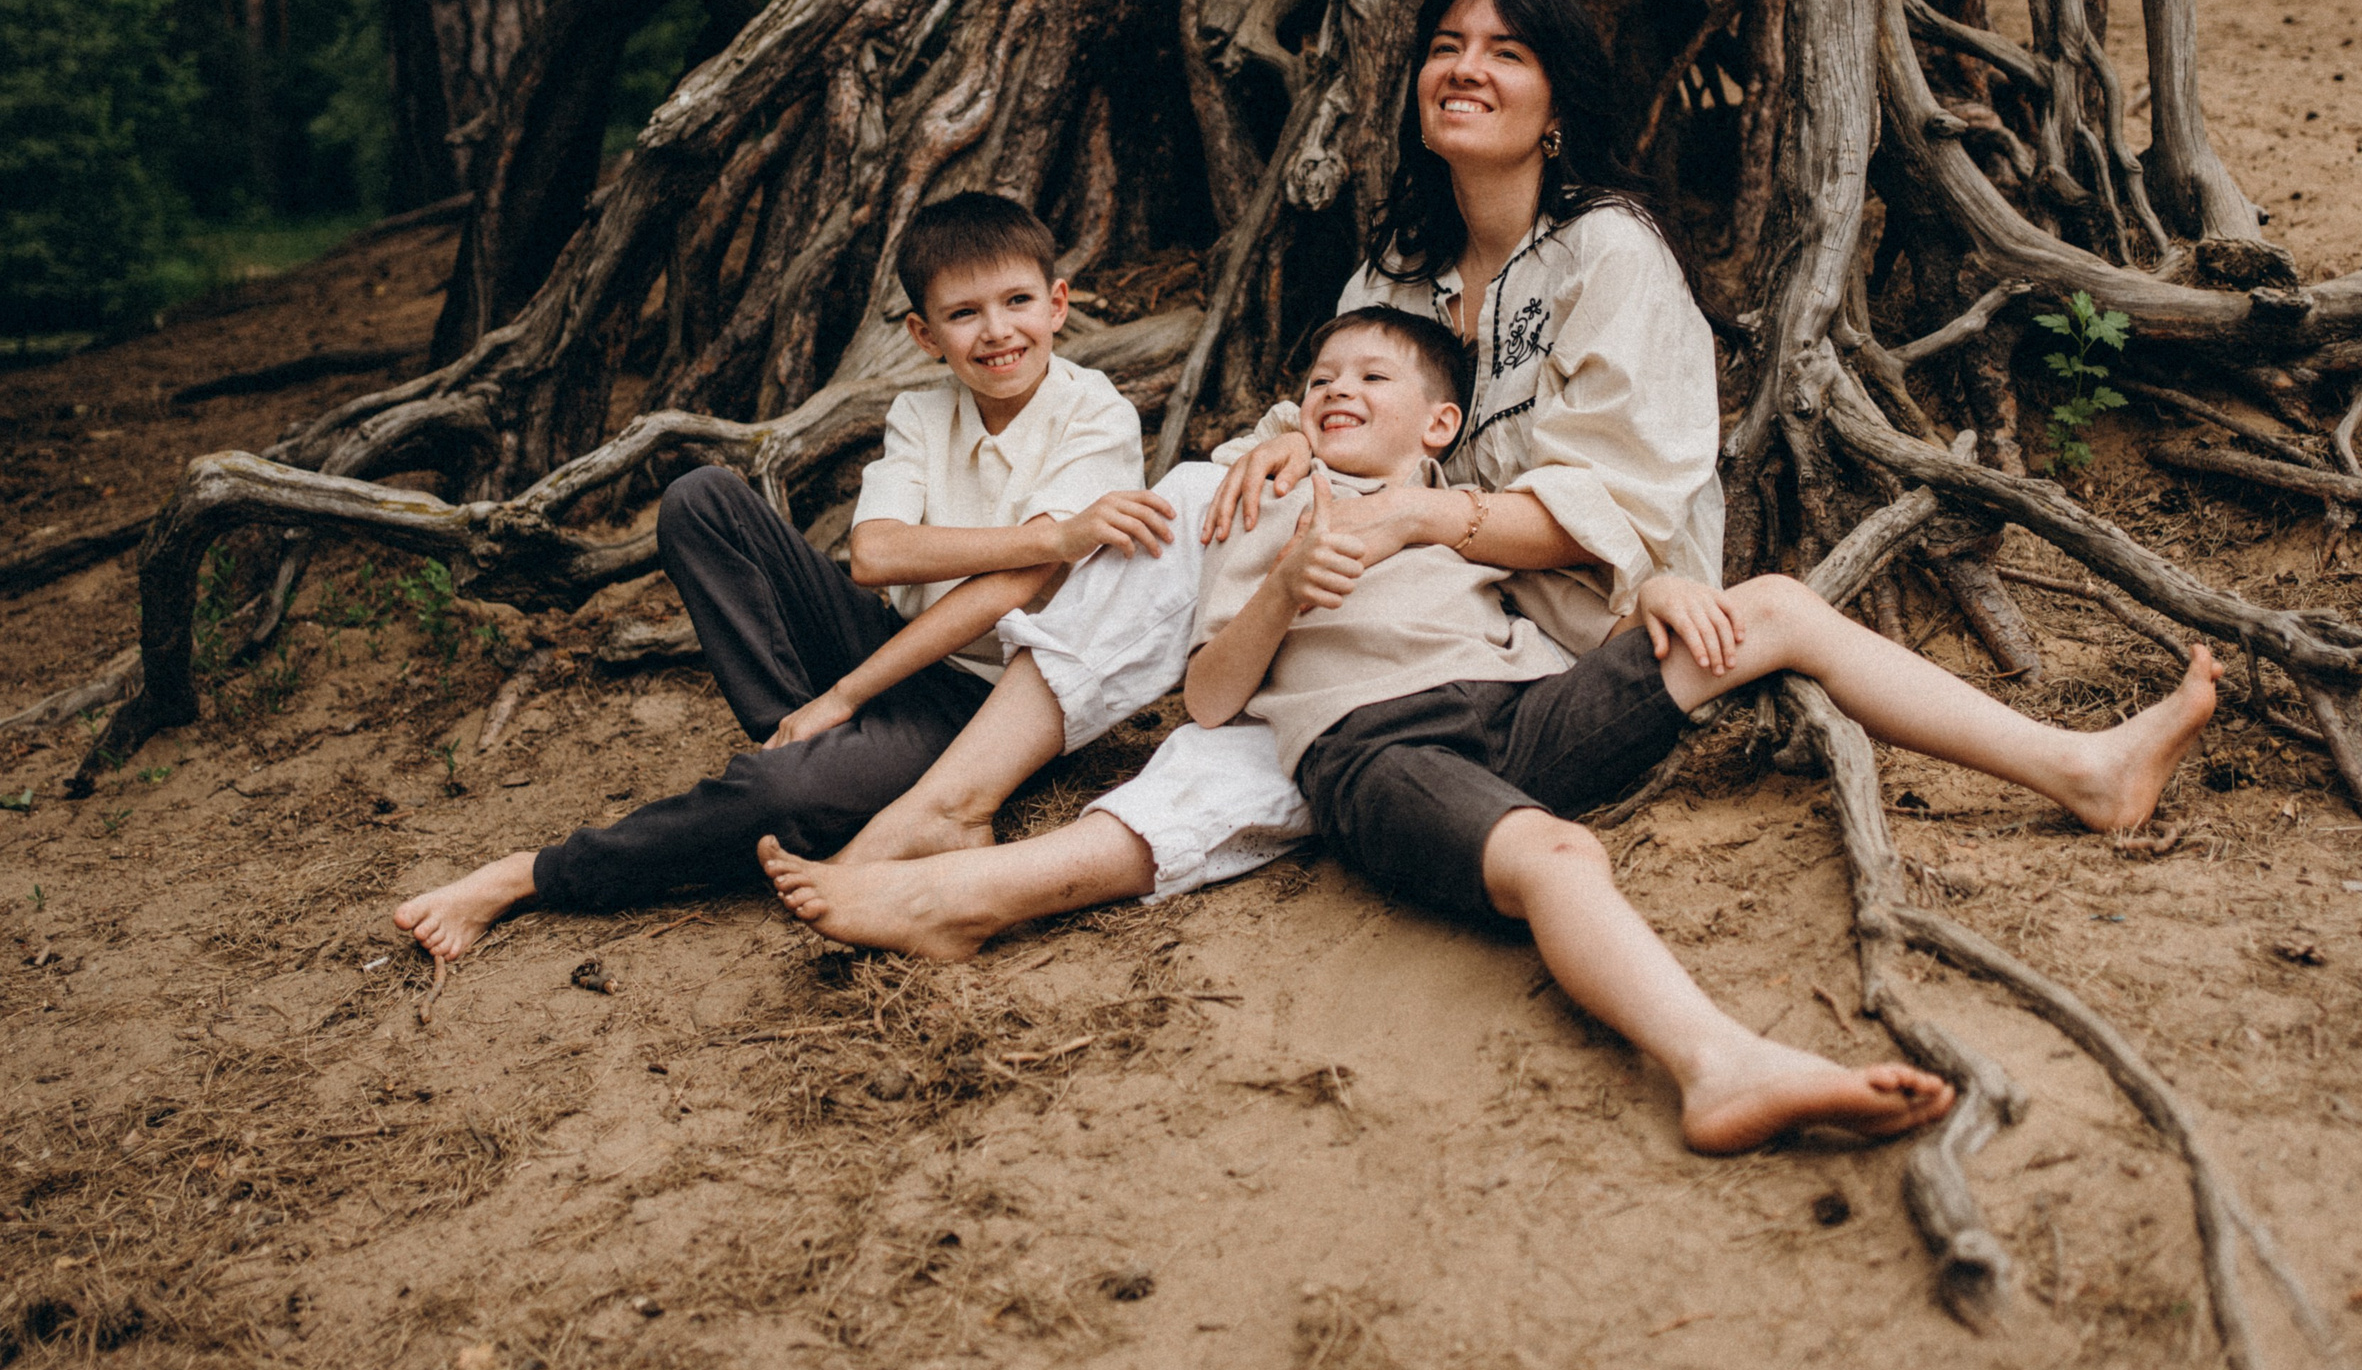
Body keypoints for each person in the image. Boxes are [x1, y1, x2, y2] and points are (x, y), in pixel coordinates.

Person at [776, 310, 2220, 1149]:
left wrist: (1665, 596)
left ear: (1442, 423)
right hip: (1371, 749)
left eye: (1373, 381)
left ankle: (2078, 765)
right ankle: (1716, 1061)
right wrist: (1281, 582)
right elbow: (1215, 700)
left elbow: (1590, 590)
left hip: (1527, 707)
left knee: (1769, 601)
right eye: (1321, 379)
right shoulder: (1260, 508)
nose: (1338, 393)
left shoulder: (1473, 515)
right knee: (1553, 862)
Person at [754, 0, 1738, 958]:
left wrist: (1408, 516)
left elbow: (1613, 506)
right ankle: (958, 820)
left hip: (1566, 623)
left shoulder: (1607, 249)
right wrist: (1283, 440)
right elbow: (1341, 405)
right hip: (1417, 588)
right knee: (1200, 516)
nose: (1463, 69)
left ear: (1557, 99)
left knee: (1304, 687)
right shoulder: (1407, 263)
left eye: (1505, 52)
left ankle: (981, 871)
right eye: (1444, 47)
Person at [393, 193, 1177, 959]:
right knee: (702, 501)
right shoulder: (920, 413)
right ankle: (809, 748)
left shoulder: (1093, 412)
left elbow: (1008, 590)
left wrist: (849, 693)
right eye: (964, 313)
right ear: (924, 333)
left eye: (1018, 301)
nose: (998, 330)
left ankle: (530, 876)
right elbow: (874, 557)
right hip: (897, 647)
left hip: (994, 703)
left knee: (779, 798)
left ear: (1058, 304)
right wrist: (1047, 536)